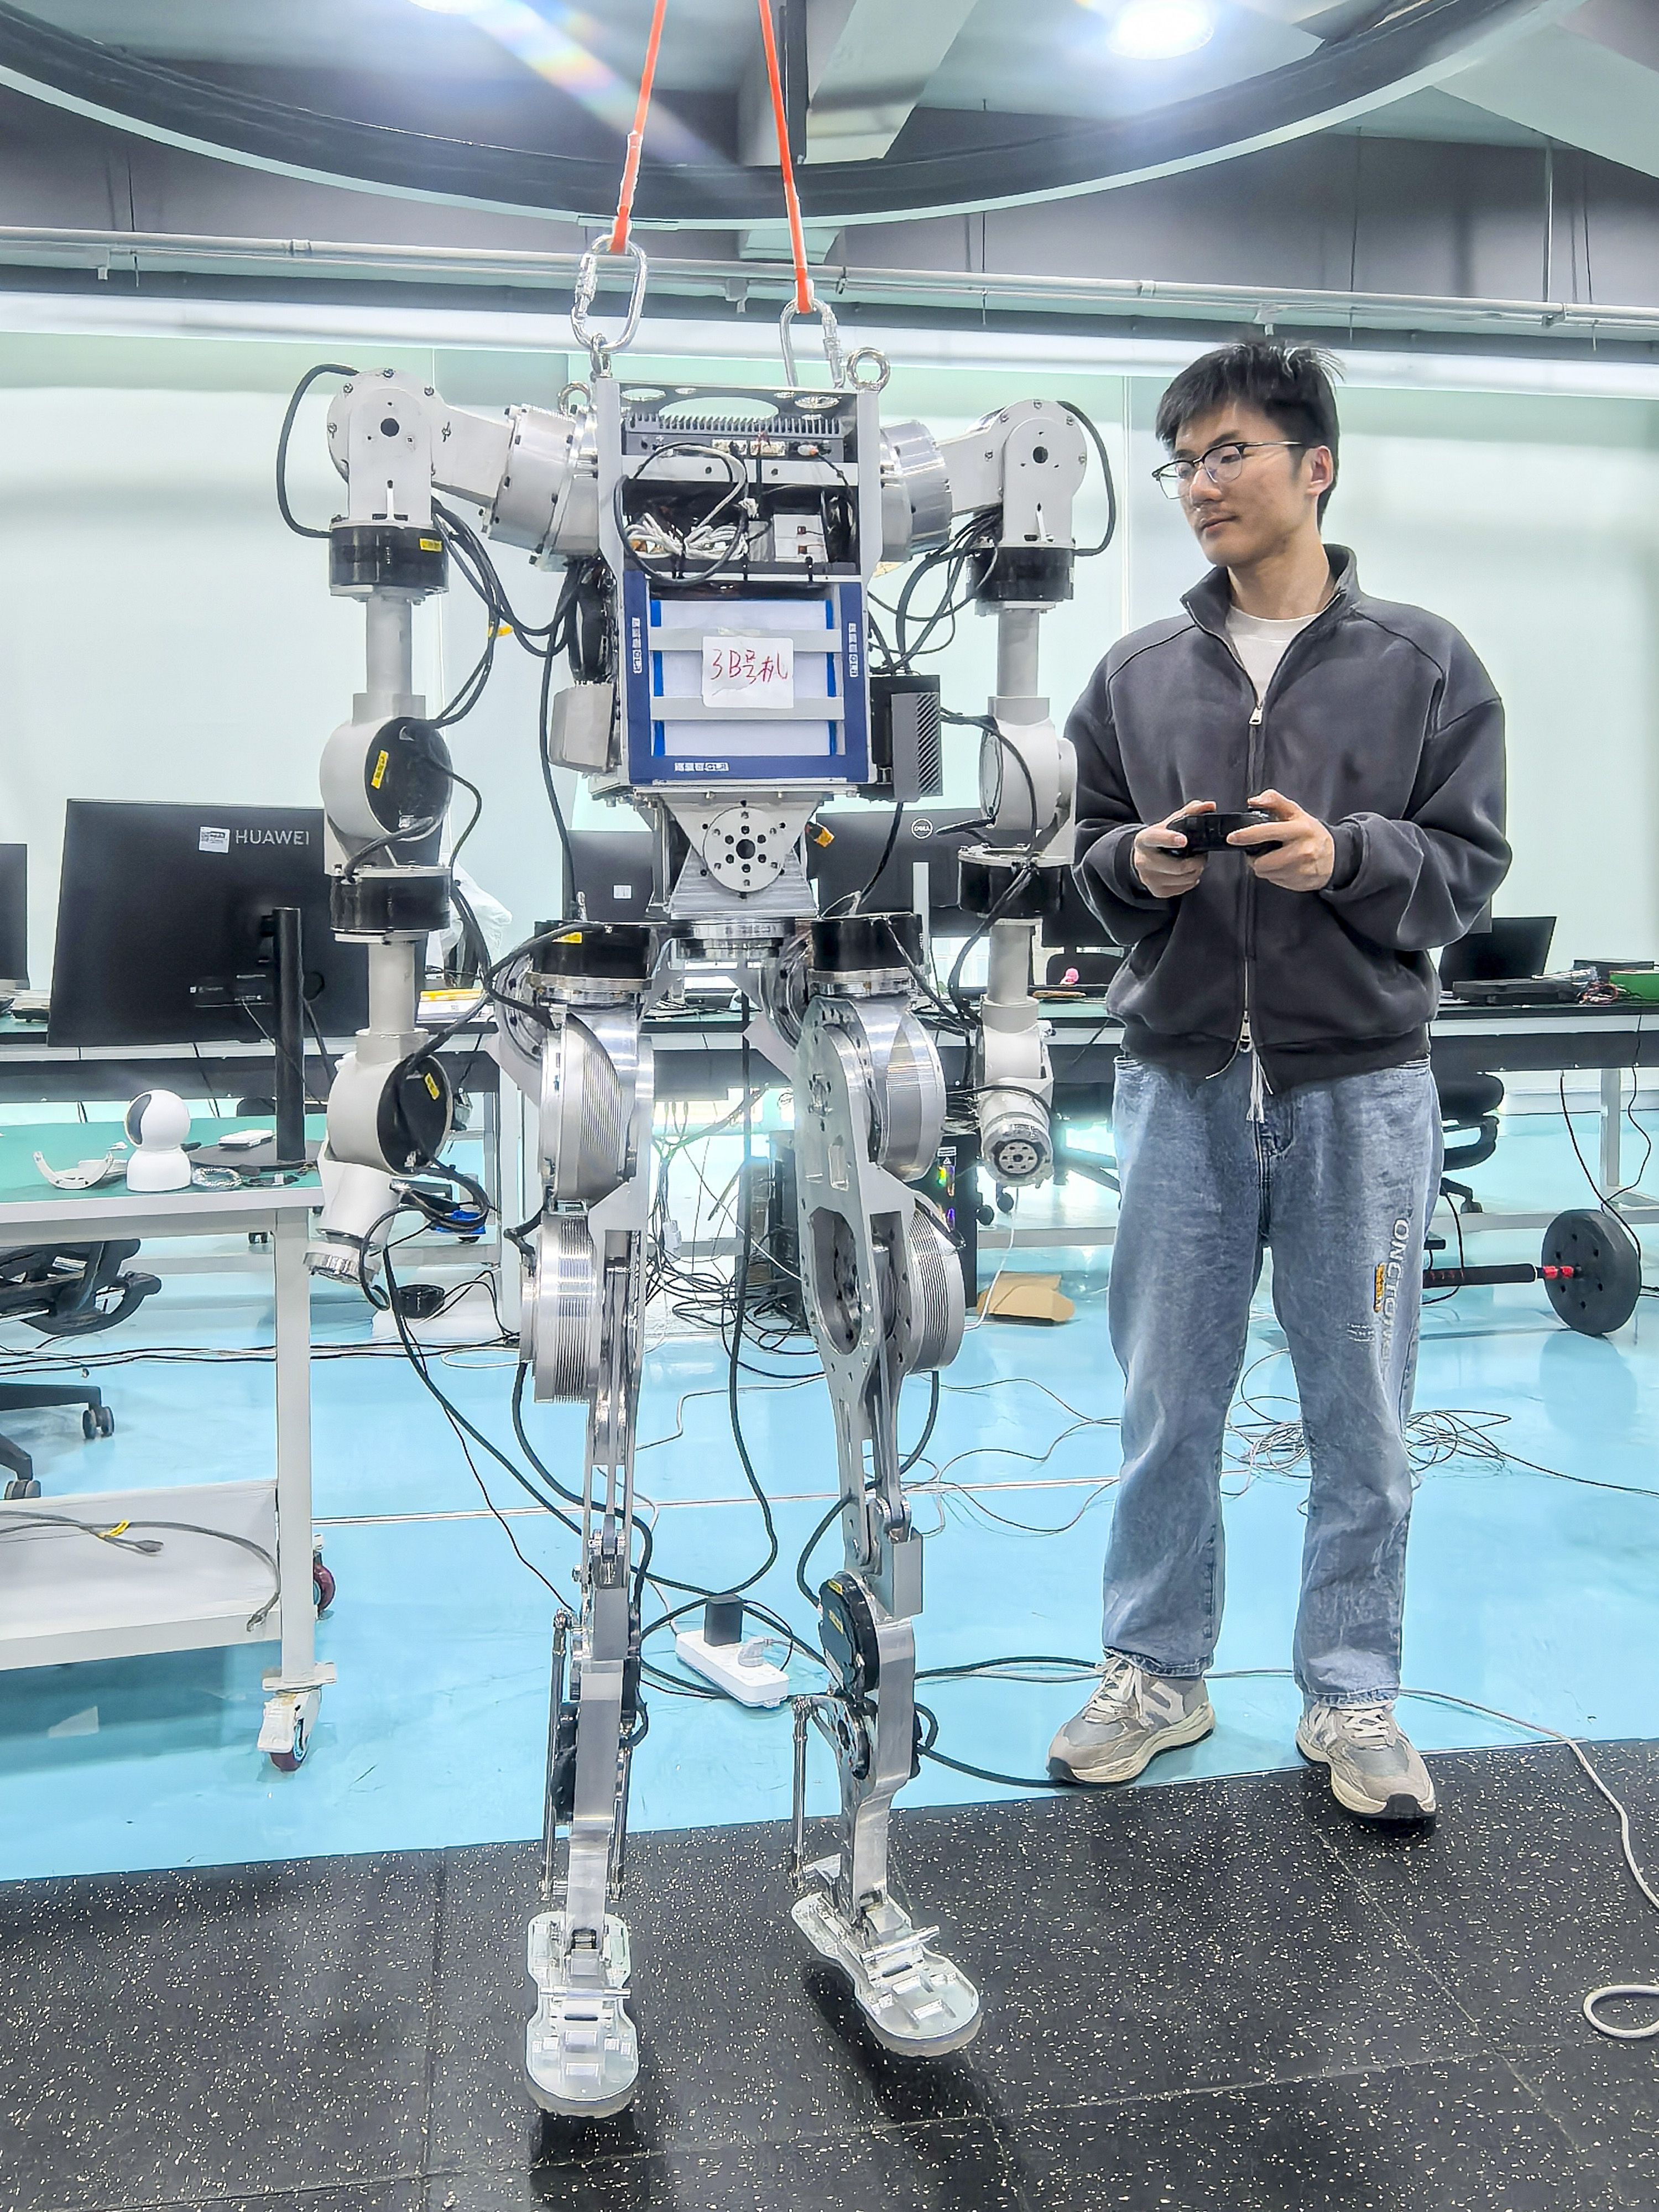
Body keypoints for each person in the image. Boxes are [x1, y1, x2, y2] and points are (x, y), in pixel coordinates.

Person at [1048, 341, 1510, 1820]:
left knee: (1360, 1408)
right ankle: (1154, 1670)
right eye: (1182, 462)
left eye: (1229, 452)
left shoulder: (1423, 664)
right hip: (1181, 1081)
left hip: (1358, 1090)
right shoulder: (1136, 674)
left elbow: (1470, 866)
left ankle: (1353, 1691)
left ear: (1317, 468)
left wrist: (1345, 857)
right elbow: (1081, 857)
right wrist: (1138, 864)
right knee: (1166, 1400)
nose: (1201, 485)